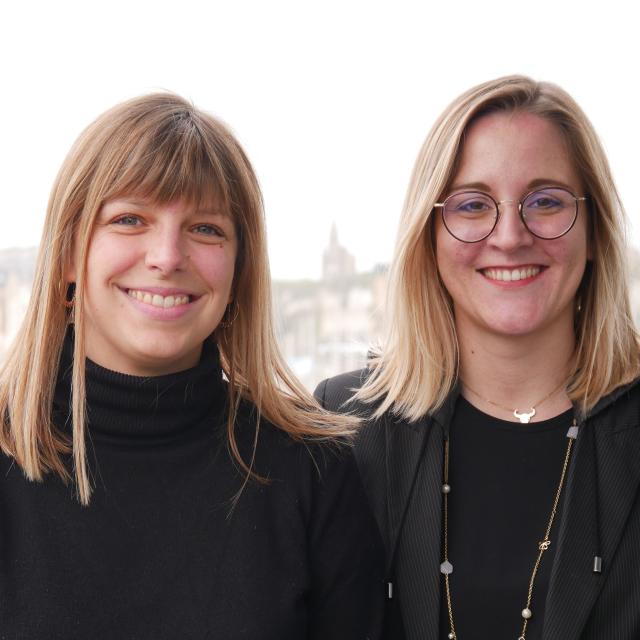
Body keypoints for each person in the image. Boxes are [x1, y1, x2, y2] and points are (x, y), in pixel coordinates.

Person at [0, 93, 384, 639]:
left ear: (238, 271)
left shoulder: (311, 474)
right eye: (130, 219)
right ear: (67, 255)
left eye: (206, 229)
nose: (167, 256)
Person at [315, 75, 640, 640]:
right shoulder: (345, 427)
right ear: (429, 236)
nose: (509, 235)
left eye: (545, 201)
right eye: (471, 205)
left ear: (594, 232)